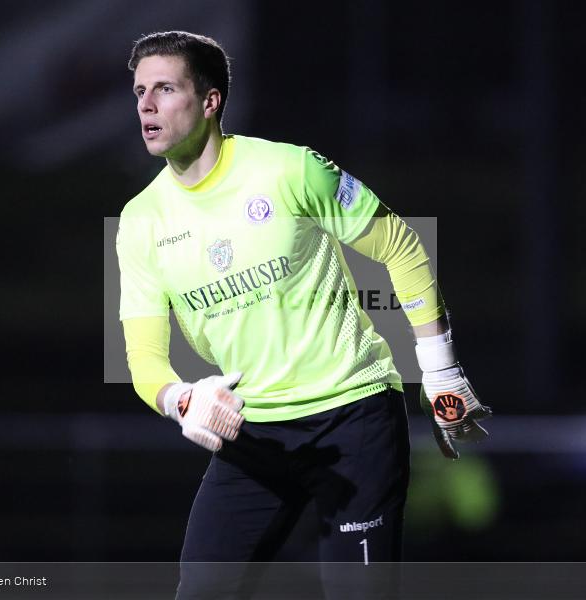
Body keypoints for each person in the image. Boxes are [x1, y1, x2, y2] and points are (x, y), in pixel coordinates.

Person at [116, 31, 491, 599]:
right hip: (250, 432)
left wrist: (441, 374)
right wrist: (182, 400)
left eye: (165, 88)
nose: (146, 104)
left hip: (353, 419)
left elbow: (400, 246)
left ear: (211, 100)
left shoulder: (289, 169)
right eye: (141, 90)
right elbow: (144, 359)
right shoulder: (140, 221)